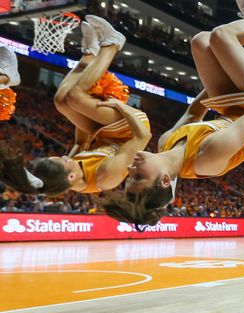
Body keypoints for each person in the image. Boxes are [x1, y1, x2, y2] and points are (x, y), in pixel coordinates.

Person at [100, 0, 244, 226]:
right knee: (222, 37)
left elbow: (194, 111)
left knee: (201, 42)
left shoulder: (165, 142)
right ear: (165, 180)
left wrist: (218, 74)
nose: (129, 171)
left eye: (128, 179)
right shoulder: (206, 160)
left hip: (231, 105)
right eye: (138, 178)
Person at [0, 17, 151, 196]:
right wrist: (121, 107)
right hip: (133, 128)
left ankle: (90, 53)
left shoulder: (64, 175)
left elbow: (81, 141)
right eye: (64, 159)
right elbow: (143, 136)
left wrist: (78, 112)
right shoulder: (106, 176)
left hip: (104, 132)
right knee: (75, 97)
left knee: (61, 101)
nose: (66, 156)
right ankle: (112, 44)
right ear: (71, 177)